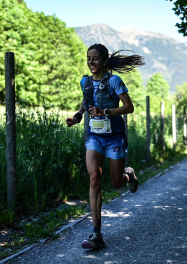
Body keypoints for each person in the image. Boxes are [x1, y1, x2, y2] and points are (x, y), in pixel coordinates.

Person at [66, 43, 145, 249]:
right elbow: (86, 100)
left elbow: (129, 107)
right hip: (95, 137)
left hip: (114, 137)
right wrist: (77, 116)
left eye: (95, 58)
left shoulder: (114, 81)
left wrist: (105, 112)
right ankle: (96, 234)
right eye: (89, 58)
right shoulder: (85, 81)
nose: (91, 62)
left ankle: (130, 175)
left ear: (104, 61)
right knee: (94, 178)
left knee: (117, 183)